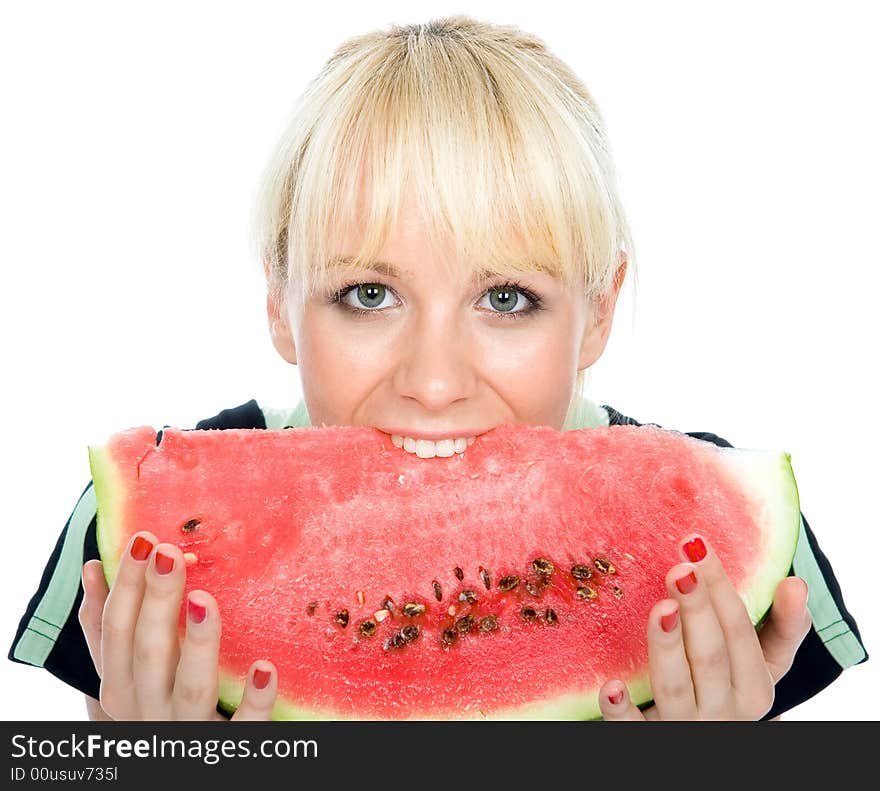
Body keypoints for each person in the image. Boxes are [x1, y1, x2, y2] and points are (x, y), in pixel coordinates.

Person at [9, 15, 866, 721]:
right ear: (279, 299)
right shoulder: (145, 536)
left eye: (505, 299)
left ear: (600, 309)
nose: (433, 379)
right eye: (370, 292)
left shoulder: (710, 547)